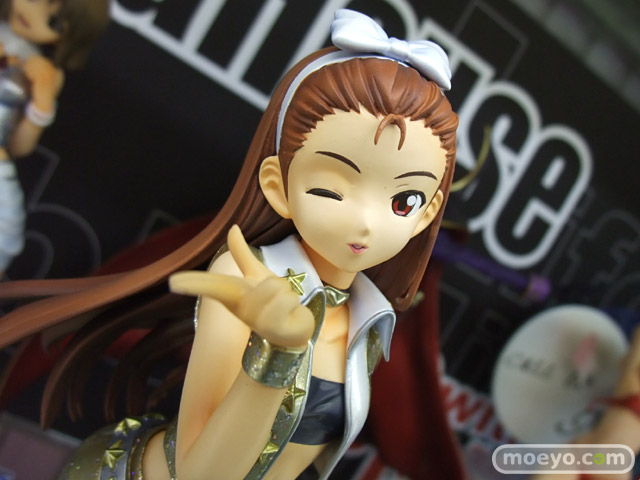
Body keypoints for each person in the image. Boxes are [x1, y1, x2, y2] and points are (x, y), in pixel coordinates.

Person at [0, 9, 458, 479]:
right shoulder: (245, 277)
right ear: (278, 186)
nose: (365, 222)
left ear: (427, 213)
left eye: (403, 201)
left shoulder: (372, 318)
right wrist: (276, 355)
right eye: (330, 190)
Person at [0, 0, 110, 276]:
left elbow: (20, 146)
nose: (32, 15)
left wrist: (42, 98)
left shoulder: (46, 73)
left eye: (54, 23)